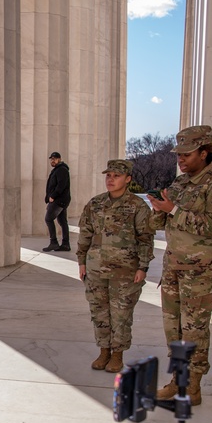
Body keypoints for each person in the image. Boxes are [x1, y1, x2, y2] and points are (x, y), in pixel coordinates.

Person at [147, 125, 212, 406]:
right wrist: (157, 212)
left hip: (204, 271)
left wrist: (173, 210)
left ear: (204, 152)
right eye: (179, 155)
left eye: (187, 154)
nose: (181, 160)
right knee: (173, 328)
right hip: (175, 266)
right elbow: (161, 224)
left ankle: (192, 387)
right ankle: (177, 381)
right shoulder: (181, 183)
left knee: (194, 329)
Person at [76, 159, 154, 373]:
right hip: (96, 268)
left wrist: (143, 267)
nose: (111, 179)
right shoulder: (95, 203)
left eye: (116, 176)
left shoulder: (138, 207)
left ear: (128, 179)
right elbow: (85, 234)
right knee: (99, 312)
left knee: (121, 314)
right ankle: (104, 351)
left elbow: (145, 238)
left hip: (125, 270)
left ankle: (117, 354)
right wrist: (81, 261)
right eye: (108, 175)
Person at [43, 151, 71, 252]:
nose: (52, 161)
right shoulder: (58, 169)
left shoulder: (61, 170)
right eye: (51, 159)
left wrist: (53, 196)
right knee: (62, 221)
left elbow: (61, 185)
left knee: (48, 219)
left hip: (59, 200)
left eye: (54, 159)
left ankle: (54, 242)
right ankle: (65, 244)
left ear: (59, 159)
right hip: (62, 200)